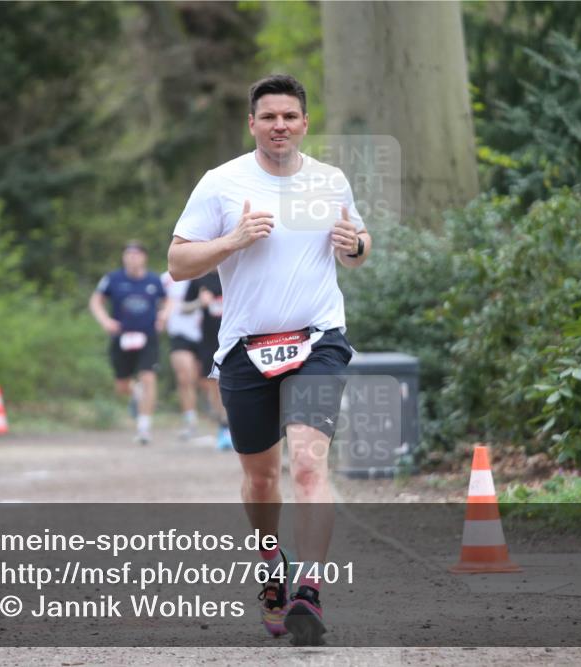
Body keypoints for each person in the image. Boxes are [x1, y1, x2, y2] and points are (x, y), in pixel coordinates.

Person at [168, 74, 371, 644]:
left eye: (289, 116)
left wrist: (353, 246)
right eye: (268, 117)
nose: (279, 125)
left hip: (319, 339)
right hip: (244, 348)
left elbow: (359, 247)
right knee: (261, 482)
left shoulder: (330, 180)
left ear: (305, 123)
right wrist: (231, 241)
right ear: (251, 124)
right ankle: (270, 568)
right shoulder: (222, 183)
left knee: (308, 464)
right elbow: (178, 262)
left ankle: (309, 588)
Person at [89, 241, 166, 444]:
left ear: (144, 257)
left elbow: (168, 300)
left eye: (136, 254)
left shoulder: (153, 280)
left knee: (148, 377)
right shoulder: (112, 279)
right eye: (128, 254)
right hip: (121, 337)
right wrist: (106, 321)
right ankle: (136, 394)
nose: (132, 257)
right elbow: (96, 301)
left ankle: (144, 428)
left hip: (147, 336)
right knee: (122, 386)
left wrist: (163, 316)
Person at [181, 269, 233, 450]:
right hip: (210, 340)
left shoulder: (236, 269)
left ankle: (234, 424)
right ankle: (224, 426)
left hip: (236, 337)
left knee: (232, 382)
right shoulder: (199, 278)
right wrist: (199, 302)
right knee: (214, 383)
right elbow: (183, 308)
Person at [160, 270, 202, 440]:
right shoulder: (165, 279)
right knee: (185, 378)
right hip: (178, 333)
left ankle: (224, 423)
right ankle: (190, 421)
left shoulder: (205, 271)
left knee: (205, 381)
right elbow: (158, 301)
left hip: (205, 333)